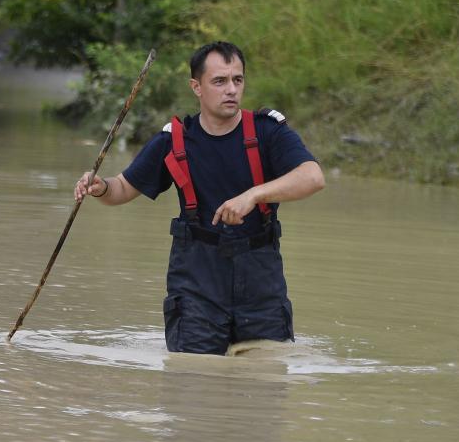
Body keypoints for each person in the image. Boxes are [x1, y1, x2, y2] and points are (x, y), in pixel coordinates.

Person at [74, 42, 325, 355]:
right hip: (196, 287)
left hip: (261, 285)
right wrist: (100, 187)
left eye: (238, 80)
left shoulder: (268, 132)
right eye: (219, 81)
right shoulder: (173, 140)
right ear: (197, 87)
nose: (231, 90)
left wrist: (253, 196)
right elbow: (122, 188)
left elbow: (313, 177)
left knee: (265, 391)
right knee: (193, 384)